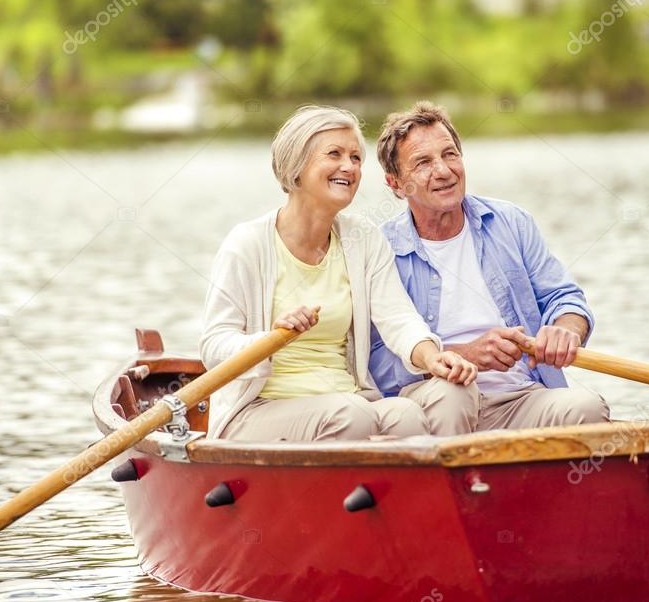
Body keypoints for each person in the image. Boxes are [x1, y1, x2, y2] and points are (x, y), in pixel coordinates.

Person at [200, 105, 478, 442]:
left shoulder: (363, 239)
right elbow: (213, 345)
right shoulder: (247, 243)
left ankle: (408, 495)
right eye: (335, 154)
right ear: (297, 166)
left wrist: (433, 358)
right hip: (259, 410)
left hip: (349, 403)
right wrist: (270, 337)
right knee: (353, 413)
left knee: (405, 415)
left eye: (356, 158)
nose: (349, 167)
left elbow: (398, 318)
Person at [369, 101, 609, 432]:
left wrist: (565, 331)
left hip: (521, 397)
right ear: (395, 184)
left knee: (587, 407)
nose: (443, 170)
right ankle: (453, 483)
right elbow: (376, 362)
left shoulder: (511, 222)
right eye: (423, 162)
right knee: (455, 393)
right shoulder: (380, 248)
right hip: (434, 400)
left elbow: (565, 298)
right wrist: (465, 354)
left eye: (450, 154)